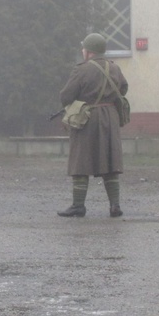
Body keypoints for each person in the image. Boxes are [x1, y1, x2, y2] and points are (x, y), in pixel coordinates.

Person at [58, 33, 128, 218]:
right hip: (110, 118)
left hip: (86, 118)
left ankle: (78, 206)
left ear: (88, 51)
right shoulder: (115, 68)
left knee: (81, 160)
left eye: (83, 48)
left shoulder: (81, 69)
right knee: (111, 159)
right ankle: (115, 205)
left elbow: (66, 96)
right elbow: (124, 88)